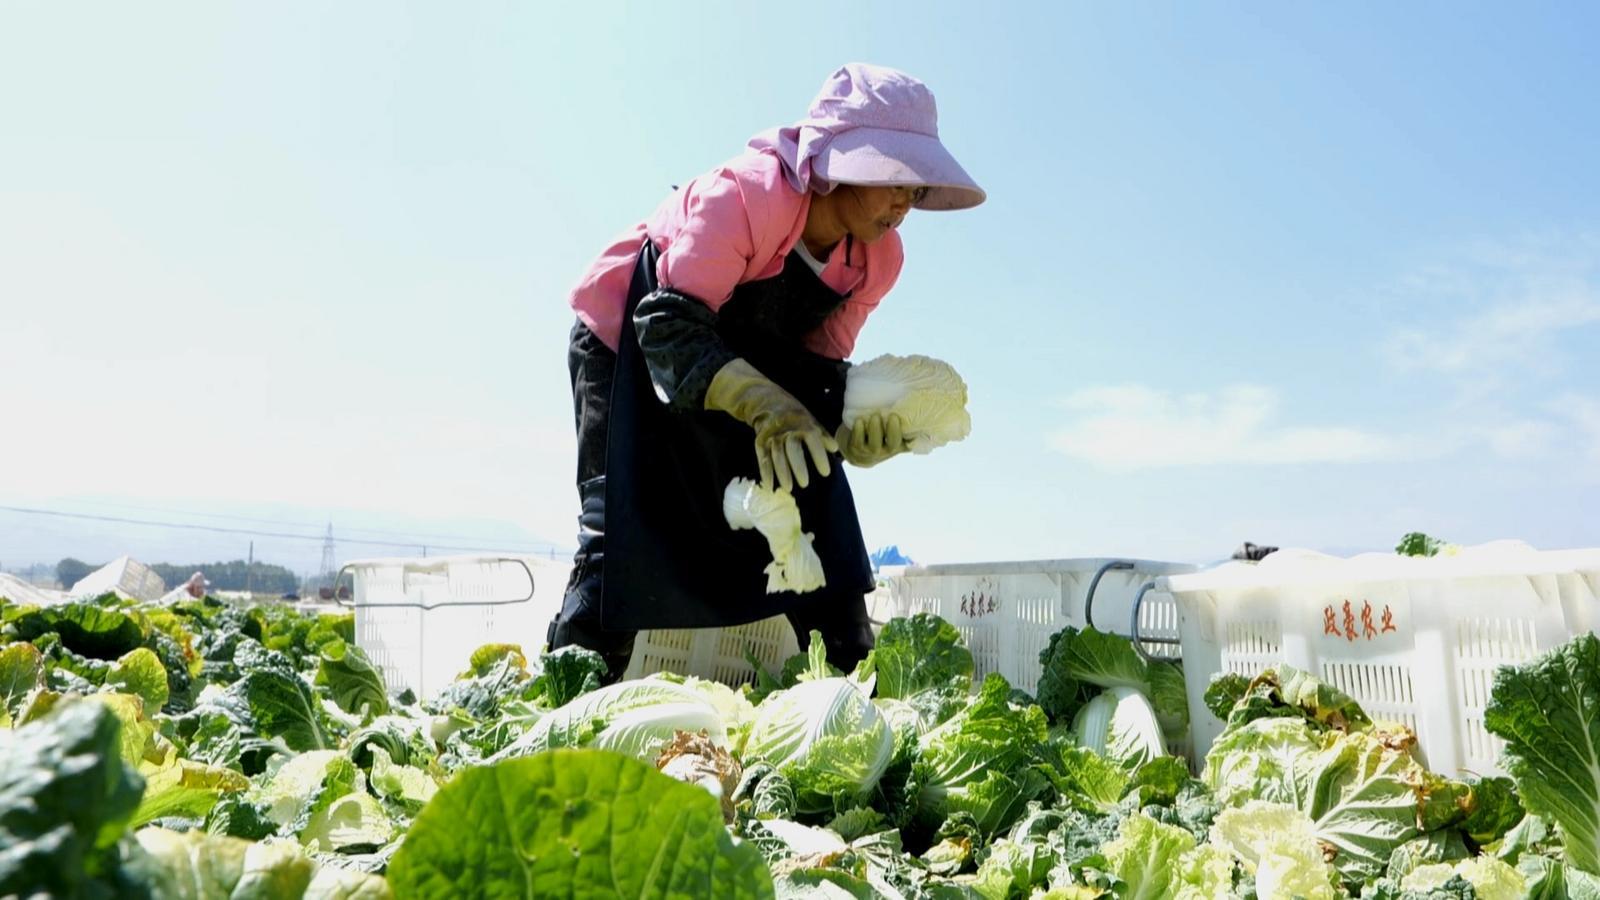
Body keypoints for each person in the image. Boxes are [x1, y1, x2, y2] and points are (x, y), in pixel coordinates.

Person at [548, 63, 985, 681]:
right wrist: (768, 407)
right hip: (629, 347)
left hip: (743, 369)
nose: (905, 202)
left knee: (817, 504)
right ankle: (567, 707)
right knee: (617, 529)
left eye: (917, 187)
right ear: (839, 160)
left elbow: (816, 376)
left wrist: (853, 438)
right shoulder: (747, 197)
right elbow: (670, 331)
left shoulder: (878, 259)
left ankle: (847, 695)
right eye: (895, 177)